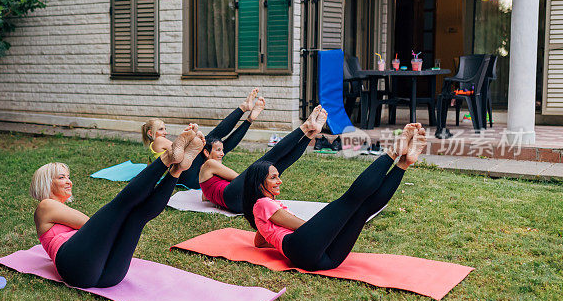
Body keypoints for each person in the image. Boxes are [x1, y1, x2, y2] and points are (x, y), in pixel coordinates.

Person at [32, 125, 205, 288]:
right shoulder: (45, 206)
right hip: (75, 266)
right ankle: (167, 158)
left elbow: (98, 230)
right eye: (61, 177)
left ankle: (177, 170)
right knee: (120, 206)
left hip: (110, 275)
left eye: (68, 177)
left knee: (137, 217)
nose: (69, 181)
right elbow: (89, 224)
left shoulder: (57, 212)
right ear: (46, 183)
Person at [243, 124, 427, 270]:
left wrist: (267, 232)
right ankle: (393, 152)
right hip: (302, 249)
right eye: (273, 177)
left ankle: (403, 163)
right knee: (350, 201)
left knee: (363, 210)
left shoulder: (261, 211)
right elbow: (301, 226)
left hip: (325, 261)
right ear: (259, 184)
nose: (279, 181)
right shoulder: (262, 203)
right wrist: (335, 223)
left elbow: (259, 242)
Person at [199, 105, 328, 213]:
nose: (222, 153)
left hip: (240, 204)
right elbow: (237, 178)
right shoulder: (209, 164)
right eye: (218, 150)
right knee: (269, 158)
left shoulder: (206, 175)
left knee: (281, 165)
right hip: (233, 197)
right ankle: (306, 127)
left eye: (222, 150)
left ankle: (311, 134)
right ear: (206, 152)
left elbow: (205, 197)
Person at [140, 88, 265, 188]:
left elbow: (151, 170)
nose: (165, 132)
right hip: (184, 176)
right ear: (151, 133)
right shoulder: (158, 141)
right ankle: (244, 110)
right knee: (212, 139)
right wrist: (192, 135)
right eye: (161, 129)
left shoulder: (154, 148)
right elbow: (181, 150)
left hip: (190, 178)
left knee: (220, 147)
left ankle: (248, 117)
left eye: (165, 128)